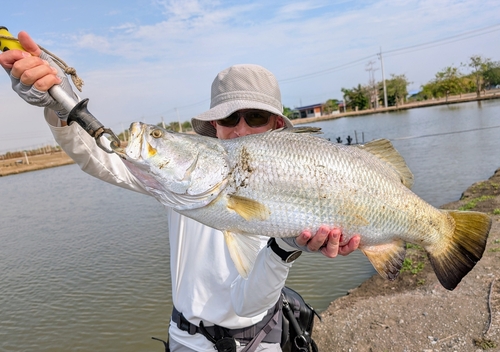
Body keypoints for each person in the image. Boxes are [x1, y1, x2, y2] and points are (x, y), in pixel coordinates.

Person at [0, 31, 361, 352]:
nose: (239, 129)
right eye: (228, 118)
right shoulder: (176, 181)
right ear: (213, 126)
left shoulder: (292, 185)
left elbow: (248, 304)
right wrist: (60, 104)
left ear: (276, 126)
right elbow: (99, 158)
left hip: (260, 340)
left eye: (254, 118)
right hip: (186, 340)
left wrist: (284, 248)